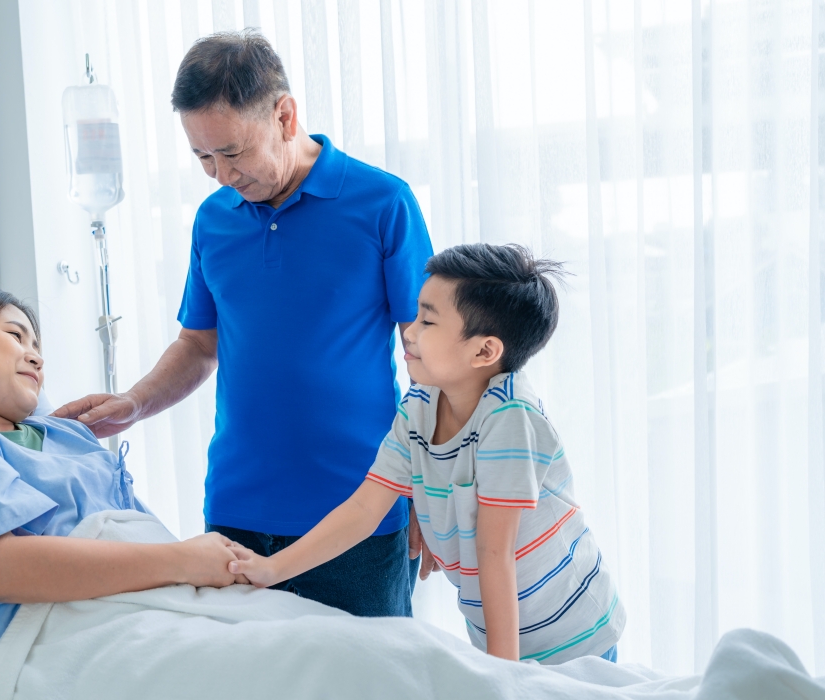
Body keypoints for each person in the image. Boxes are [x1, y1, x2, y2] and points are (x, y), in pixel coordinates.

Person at [54, 30, 435, 617]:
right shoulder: (213, 222)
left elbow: (431, 363)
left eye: (233, 152)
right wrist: (134, 404)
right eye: (203, 156)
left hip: (360, 513)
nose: (219, 173)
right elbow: (198, 345)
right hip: (236, 515)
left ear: (284, 115)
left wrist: (434, 497)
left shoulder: (384, 203)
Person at [226, 243, 626, 664]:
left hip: (576, 636)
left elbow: (495, 553)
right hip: (505, 633)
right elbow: (364, 508)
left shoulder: (509, 418)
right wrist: (272, 569)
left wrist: (503, 674)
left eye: (428, 320)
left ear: (484, 351)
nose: (410, 331)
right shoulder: (419, 405)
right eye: (416, 314)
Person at [0, 287, 248, 700]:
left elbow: (141, 538)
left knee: (310, 632)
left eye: (37, 345)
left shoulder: (69, 435)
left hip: (169, 607)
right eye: (16, 336)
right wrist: (185, 560)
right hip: (49, 643)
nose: (36, 356)